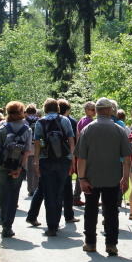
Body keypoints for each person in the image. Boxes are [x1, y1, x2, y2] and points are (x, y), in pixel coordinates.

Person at [76, 97, 132, 256]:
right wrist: (125, 177)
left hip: (91, 178)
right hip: (112, 178)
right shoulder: (119, 130)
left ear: (98, 110)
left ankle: (90, 243)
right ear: (109, 110)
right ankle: (111, 244)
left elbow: (81, 158)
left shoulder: (87, 130)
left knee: (90, 210)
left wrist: (81, 179)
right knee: (111, 211)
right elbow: (127, 159)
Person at [30, 98, 75, 237]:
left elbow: (37, 143)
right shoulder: (65, 120)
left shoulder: (40, 122)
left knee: (49, 193)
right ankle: (56, 222)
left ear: (45, 108)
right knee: (59, 192)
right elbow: (71, 140)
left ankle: (51, 227)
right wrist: (71, 159)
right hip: (63, 160)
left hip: (46, 161)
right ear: (57, 108)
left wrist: (36, 162)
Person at [0, 101, 33, 238]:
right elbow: (28, 151)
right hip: (19, 166)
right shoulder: (27, 129)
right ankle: (8, 225)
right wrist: (19, 167)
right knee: (13, 195)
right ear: (21, 112)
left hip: (2, 166)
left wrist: (5, 157)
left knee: (3, 194)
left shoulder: (3, 127)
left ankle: (4, 220)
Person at [73, 101, 96, 206]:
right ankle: (84, 196)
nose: (94, 111)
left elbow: (78, 136)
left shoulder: (81, 120)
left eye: (94, 109)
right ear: (87, 110)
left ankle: (76, 196)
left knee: (80, 174)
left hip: (80, 149)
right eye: (92, 109)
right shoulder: (89, 121)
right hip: (87, 151)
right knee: (86, 175)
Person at [24, 103, 39, 196]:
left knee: (29, 170)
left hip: (28, 147)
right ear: (35, 111)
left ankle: (30, 189)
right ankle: (37, 187)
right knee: (37, 168)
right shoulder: (39, 121)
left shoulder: (24, 121)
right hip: (38, 147)